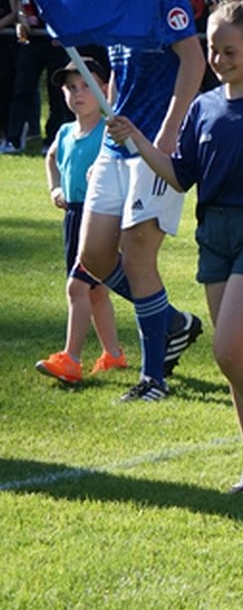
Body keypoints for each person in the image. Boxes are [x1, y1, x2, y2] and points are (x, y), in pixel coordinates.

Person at [108, 1, 243, 493]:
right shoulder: (203, 107)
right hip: (214, 237)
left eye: (230, 51)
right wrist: (138, 138)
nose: (219, 59)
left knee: (227, 348)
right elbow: (180, 175)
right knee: (240, 353)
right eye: (212, 49)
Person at [68, 0, 206, 401]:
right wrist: (102, 137)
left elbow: (193, 59)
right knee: (94, 257)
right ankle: (174, 323)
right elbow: (118, 75)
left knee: (138, 257)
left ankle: (153, 379)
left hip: (153, 145)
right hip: (116, 146)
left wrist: (168, 132)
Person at [32, 58, 126, 385]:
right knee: (95, 292)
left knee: (77, 287)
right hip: (73, 217)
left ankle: (70, 359)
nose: (78, 93)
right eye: (71, 88)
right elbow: (51, 157)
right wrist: (55, 188)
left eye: (87, 86)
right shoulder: (65, 132)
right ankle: (113, 354)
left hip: (99, 218)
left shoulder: (108, 131)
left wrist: (102, 168)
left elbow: (124, 163)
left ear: (104, 90)